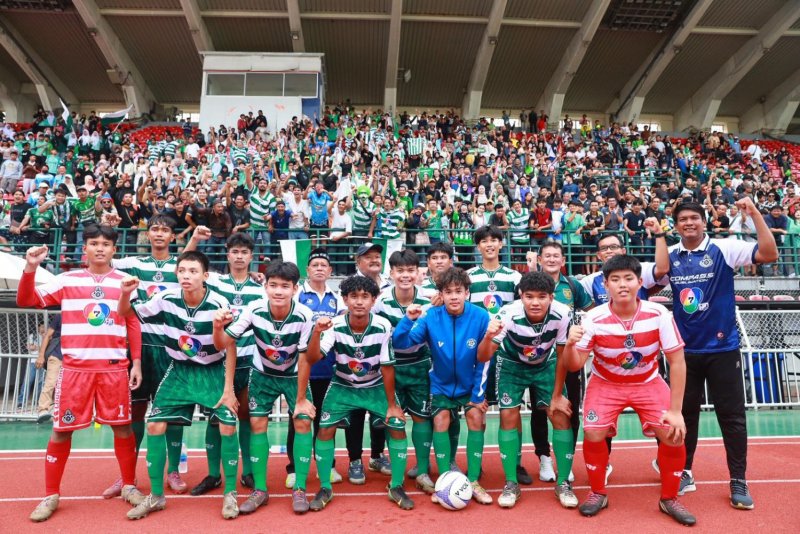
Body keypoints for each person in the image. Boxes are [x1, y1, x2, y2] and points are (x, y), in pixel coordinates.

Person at [653, 198, 778, 510]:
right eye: (683, 219)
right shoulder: (669, 257)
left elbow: (769, 253)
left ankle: (738, 479)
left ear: (703, 220)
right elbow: (648, 277)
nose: (689, 223)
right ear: (676, 224)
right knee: (684, 418)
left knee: (732, 418)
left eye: (694, 217)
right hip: (684, 354)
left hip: (723, 349)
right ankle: (684, 471)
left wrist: (755, 214)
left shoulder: (725, 248)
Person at [17, 225, 145, 522]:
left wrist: (135, 362)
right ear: (84, 248)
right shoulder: (67, 279)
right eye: (93, 243)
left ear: (115, 249)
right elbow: (27, 300)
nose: (99, 248)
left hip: (113, 369)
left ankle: (128, 485)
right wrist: (30, 268)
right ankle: (51, 494)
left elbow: (133, 323)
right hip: (75, 371)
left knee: (123, 428)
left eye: (105, 244)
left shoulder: (125, 282)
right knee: (62, 430)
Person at [561, 254, 696, 526]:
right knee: (594, 431)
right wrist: (570, 344)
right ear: (605, 284)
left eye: (628, 278)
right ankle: (598, 492)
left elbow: (677, 361)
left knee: (673, 433)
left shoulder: (659, 314)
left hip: (647, 382)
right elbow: (574, 365)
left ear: (639, 282)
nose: (622, 284)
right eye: (615, 279)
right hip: (606, 383)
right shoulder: (594, 318)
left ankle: (669, 498)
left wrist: (676, 411)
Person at [119, 251, 240, 520]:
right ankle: (156, 496)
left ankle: (230, 493)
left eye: (193, 271)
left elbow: (228, 347)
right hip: (179, 371)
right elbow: (126, 312)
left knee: (228, 425)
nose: (187, 275)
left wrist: (228, 388)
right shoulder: (165, 299)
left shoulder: (219, 304)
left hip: (212, 372)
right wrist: (126, 293)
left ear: (205, 276)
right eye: (182, 270)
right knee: (154, 425)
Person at [101, 216, 207, 499]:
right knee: (133, 414)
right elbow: (103, 256)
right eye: (155, 229)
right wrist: (108, 225)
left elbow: (196, 266)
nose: (159, 233)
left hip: (170, 349)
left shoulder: (181, 269)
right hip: (136, 349)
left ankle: (173, 470)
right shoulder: (130, 264)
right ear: (147, 234)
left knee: (170, 415)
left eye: (165, 230)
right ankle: (127, 476)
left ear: (174, 236)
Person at [303, 275, 414, 511]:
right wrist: (316, 333)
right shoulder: (334, 325)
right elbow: (312, 358)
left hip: (374, 385)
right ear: (345, 300)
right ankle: (325, 486)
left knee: (396, 424)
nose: (359, 302)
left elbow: (387, 366)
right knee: (324, 429)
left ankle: (396, 484)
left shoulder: (383, 325)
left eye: (365, 296)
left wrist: (393, 404)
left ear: (374, 300)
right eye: (354, 296)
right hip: (343, 385)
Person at [213, 260, 315, 514]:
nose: (278, 291)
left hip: (294, 375)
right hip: (262, 374)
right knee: (257, 425)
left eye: (285, 286)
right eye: (273, 285)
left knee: (302, 421)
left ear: (295, 288)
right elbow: (223, 344)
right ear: (265, 287)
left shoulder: (304, 315)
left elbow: (305, 358)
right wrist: (217, 327)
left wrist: (301, 398)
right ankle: (260, 489)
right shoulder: (253, 310)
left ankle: (300, 487)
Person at [393, 267, 493, 505]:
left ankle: (474, 480)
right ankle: (446, 480)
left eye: (459, 291)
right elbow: (401, 343)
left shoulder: (481, 316)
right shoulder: (430, 316)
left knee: (476, 418)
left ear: (467, 293)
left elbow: (484, 358)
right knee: (440, 420)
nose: (454, 297)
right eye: (448, 292)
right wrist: (408, 319)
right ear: (441, 294)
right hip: (440, 384)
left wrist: (478, 395)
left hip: (470, 385)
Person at [478, 271, 576, 509]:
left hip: (546, 364)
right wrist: (489, 335)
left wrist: (556, 397)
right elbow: (482, 356)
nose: (535, 302)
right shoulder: (507, 314)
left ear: (551, 297)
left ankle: (563, 482)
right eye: (529, 296)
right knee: (508, 416)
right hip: (511, 364)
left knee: (561, 414)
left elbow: (563, 356)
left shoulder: (563, 313)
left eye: (542, 296)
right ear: (520, 296)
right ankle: (511, 482)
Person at [192, 232, 265, 496]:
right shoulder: (213, 282)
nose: (239, 256)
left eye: (244, 252)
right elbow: (187, 269)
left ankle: (247, 472)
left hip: (248, 359)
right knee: (215, 417)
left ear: (251, 257)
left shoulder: (260, 288)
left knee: (245, 415)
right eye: (235, 251)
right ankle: (213, 474)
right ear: (227, 254)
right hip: (217, 360)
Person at [466, 225, 529, 485]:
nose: (489, 244)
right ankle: (476, 466)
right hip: (480, 351)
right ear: (478, 246)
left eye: (494, 240)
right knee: (476, 409)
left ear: (501, 244)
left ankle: (516, 463)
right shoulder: (468, 277)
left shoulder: (514, 277)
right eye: (484, 241)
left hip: (508, 351)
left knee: (511, 410)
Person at [372, 249, 435, 493]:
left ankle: (422, 468)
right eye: (400, 271)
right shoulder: (380, 301)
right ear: (392, 273)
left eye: (410, 270)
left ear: (418, 273)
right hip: (391, 367)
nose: (405, 275)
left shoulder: (430, 298)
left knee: (421, 416)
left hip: (421, 365)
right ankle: (397, 470)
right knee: (394, 418)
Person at [286, 249, 346, 489]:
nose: (320, 268)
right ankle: (292, 468)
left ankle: (328, 465)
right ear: (307, 270)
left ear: (330, 271)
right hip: (301, 370)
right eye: (315, 265)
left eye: (324, 265)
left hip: (328, 369)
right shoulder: (298, 294)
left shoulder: (337, 298)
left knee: (325, 420)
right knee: (298, 419)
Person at [35, 313, 63, 423]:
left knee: (70, 385)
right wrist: (41, 356)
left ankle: (60, 409)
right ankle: (43, 409)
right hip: (56, 354)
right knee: (51, 382)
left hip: (72, 357)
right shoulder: (60, 316)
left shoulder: (83, 317)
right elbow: (47, 335)